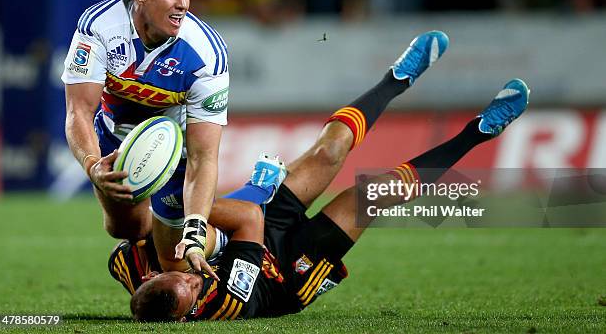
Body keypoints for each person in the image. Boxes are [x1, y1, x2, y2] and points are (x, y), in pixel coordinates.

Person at [116, 32, 530, 321]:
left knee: (328, 151)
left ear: (152, 275)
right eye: (191, 288)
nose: (191, 277)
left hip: (251, 227)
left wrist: (176, 216)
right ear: (190, 313)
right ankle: (478, 133)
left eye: (178, 275)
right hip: (286, 269)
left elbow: (147, 226)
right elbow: (249, 220)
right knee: (374, 195)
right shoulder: (224, 302)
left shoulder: (134, 267)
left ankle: (395, 80)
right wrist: (253, 190)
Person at [62, 0, 228, 278]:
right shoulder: (99, 27)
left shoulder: (207, 55)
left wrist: (195, 228)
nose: (183, 4)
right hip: (112, 142)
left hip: (174, 153)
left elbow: (203, 156)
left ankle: (231, 235)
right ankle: (159, 238)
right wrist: (93, 165)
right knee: (126, 229)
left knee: (177, 257)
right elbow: (79, 111)